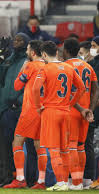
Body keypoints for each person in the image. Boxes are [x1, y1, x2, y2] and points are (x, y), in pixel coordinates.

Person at [32, 41, 85, 191]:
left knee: (54, 149)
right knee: (65, 149)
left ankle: (61, 183)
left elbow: (36, 89)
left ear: (43, 54)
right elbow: (81, 88)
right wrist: (70, 103)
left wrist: (38, 107)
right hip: (65, 112)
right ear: (57, 52)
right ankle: (66, 183)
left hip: (51, 111)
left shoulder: (45, 68)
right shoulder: (69, 67)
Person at [4, 40, 47, 189]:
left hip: (30, 110)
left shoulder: (30, 65)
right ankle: (41, 182)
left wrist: (22, 69)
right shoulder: (47, 66)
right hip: (44, 110)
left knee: (17, 142)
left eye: (28, 50)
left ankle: (20, 179)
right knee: (39, 146)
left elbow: (17, 86)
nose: (27, 52)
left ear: (33, 52)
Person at [63, 38, 98, 190]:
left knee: (71, 146)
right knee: (82, 147)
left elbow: (68, 92)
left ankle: (75, 182)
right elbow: (96, 89)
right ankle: (86, 180)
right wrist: (89, 108)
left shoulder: (65, 67)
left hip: (72, 110)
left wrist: (80, 108)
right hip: (86, 112)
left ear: (65, 51)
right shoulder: (88, 66)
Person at [87, 36, 99, 189]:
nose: (92, 48)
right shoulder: (93, 63)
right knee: (95, 146)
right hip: (93, 107)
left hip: (95, 108)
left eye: (94, 45)